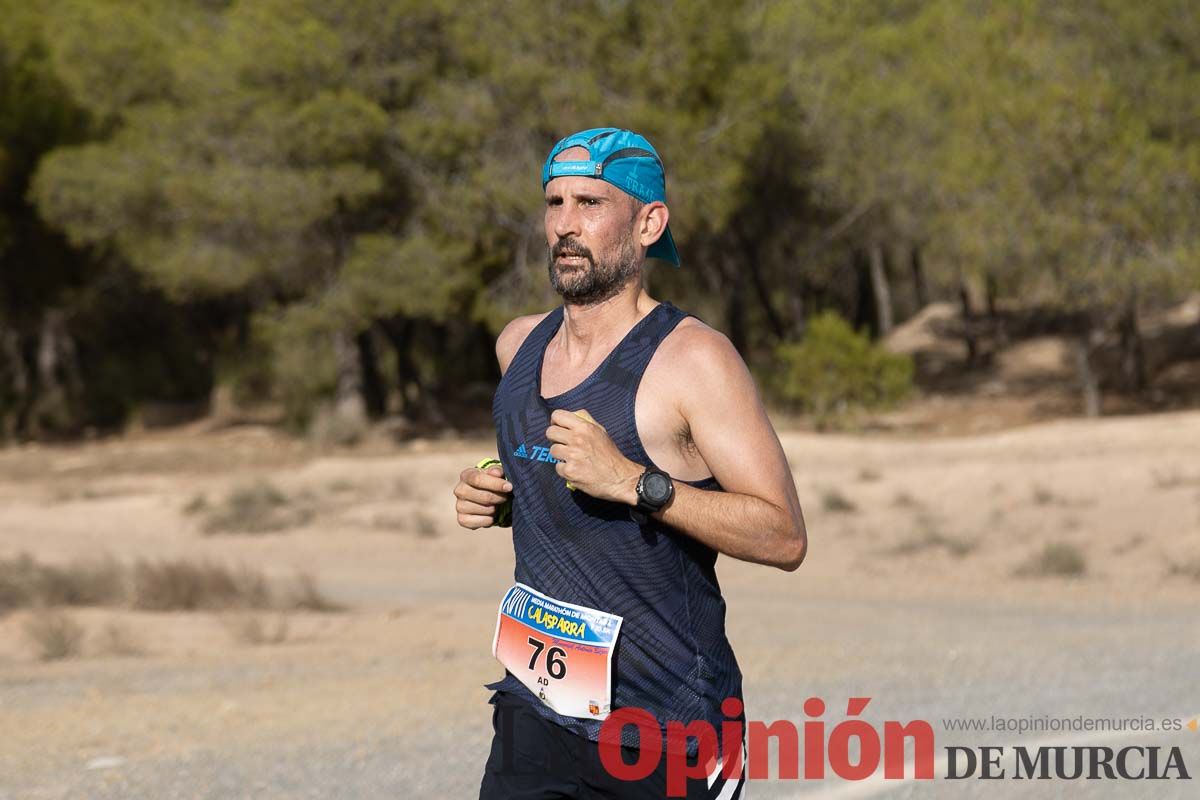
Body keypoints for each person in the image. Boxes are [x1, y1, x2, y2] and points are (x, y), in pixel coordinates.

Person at [454, 127, 807, 799]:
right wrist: (499, 499)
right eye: (554, 202)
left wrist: (633, 483)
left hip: (668, 730)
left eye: (589, 203)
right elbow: (553, 490)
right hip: (537, 710)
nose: (564, 224)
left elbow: (784, 535)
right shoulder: (517, 346)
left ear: (649, 223)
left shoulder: (694, 361)